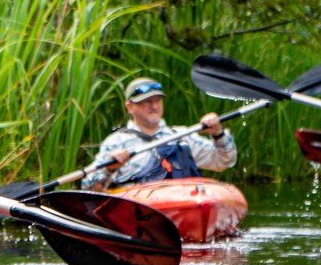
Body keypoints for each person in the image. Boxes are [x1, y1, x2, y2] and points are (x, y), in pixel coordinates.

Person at [80, 76, 236, 191]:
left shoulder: (181, 135)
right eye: (146, 101)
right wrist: (110, 169)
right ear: (129, 107)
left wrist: (218, 134)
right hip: (140, 209)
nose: (154, 106)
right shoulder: (116, 142)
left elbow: (224, 161)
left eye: (157, 100)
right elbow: (89, 188)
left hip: (185, 201)